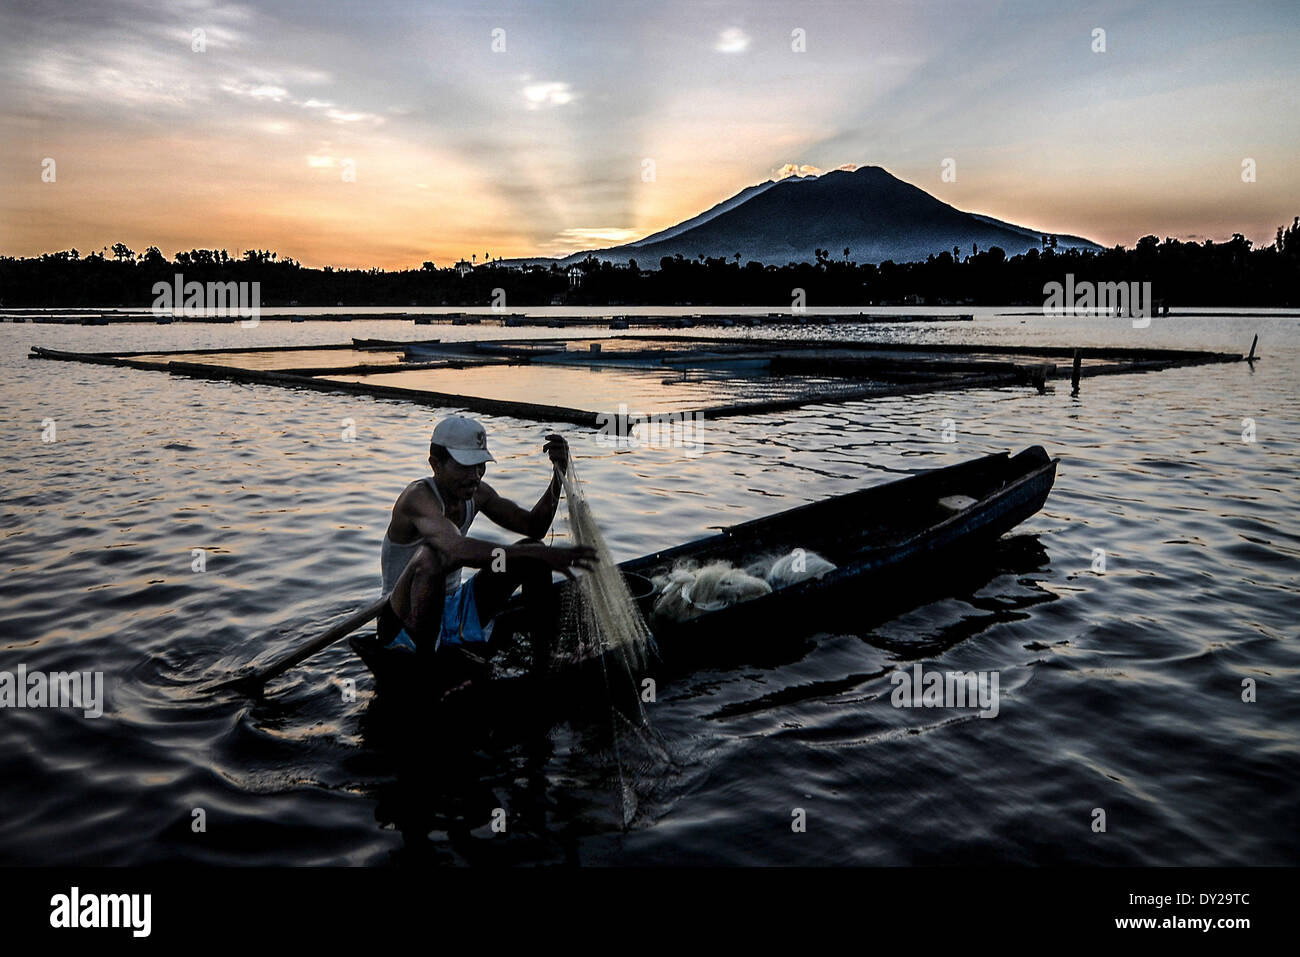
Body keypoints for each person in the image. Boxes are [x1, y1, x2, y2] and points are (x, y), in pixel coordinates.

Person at [361, 415, 595, 696]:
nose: (474, 475)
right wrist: (536, 554)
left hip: (454, 607)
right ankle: (428, 671)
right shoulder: (417, 497)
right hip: (403, 618)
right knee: (430, 557)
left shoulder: (477, 493)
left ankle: (544, 659)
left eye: (479, 466)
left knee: (532, 551)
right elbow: (455, 549)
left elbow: (534, 526)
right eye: (464, 466)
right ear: (436, 464)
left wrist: (559, 474)